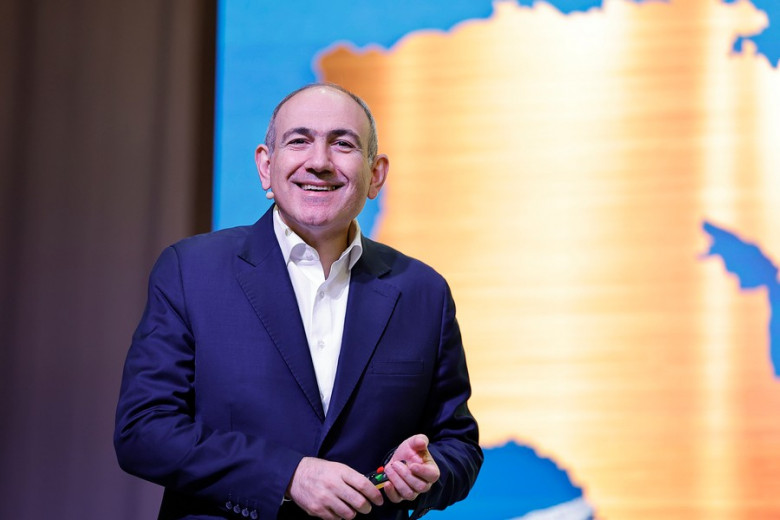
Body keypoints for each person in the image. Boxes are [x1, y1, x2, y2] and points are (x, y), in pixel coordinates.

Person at [114, 83, 482, 520]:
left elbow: (458, 444)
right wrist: (287, 475)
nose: (320, 162)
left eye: (343, 144)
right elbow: (145, 431)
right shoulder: (191, 270)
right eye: (299, 141)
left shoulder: (422, 291)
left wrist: (428, 473)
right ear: (266, 167)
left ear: (376, 175)